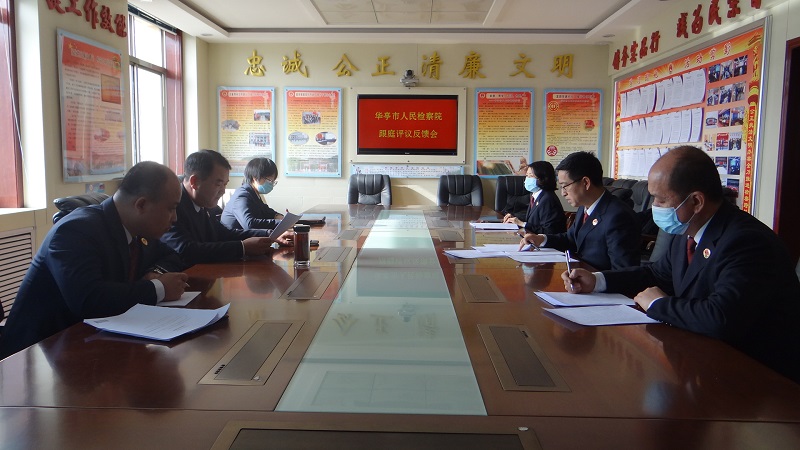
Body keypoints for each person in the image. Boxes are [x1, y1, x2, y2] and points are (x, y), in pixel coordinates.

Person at [562, 146, 800, 383]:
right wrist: (598, 280)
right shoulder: (687, 230)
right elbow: (657, 274)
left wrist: (658, 304)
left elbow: (721, 318)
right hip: (705, 359)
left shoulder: (747, 242)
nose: (654, 207)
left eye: (661, 199)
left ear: (696, 201)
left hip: (760, 376)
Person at [0, 162, 189, 359]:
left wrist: (156, 274)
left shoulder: (137, 230)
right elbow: (89, 300)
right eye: (171, 209)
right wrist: (159, 288)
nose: (175, 218)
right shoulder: (75, 231)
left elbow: (173, 255)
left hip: (96, 342)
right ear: (141, 205)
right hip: (36, 354)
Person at [160, 149, 289, 266]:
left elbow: (224, 233)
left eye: (225, 184)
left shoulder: (204, 203)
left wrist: (270, 235)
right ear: (195, 182)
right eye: (218, 184)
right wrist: (242, 248)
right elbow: (186, 250)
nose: (223, 191)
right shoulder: (172, 206)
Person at [519, 151, 640, 270]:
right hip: (579, 274)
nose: (563, 193)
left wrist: (594, 279)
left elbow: (624, 272)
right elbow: (570, 239)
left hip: (596, 279)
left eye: (565, 186)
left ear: (585, 183)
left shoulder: (619, 216)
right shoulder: (584, 207)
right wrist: (542, 239)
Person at [220, 157, 284, 231]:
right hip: (234, 237)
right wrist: (279, 222)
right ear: (255, 178)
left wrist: (278, 216)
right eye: (270, 180)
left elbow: (266, 211)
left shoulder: (254, 194)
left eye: (273, 181)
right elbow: (249, 224)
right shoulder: (242, 195)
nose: (271, 184)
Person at [503, 161, 566, 234]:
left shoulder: (548, 200)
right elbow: (533, 219)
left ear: (542, 178)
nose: (526, 179)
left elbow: (549, 231)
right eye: (527, 175)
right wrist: (515, 218)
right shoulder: (536, 195)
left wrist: (522, 224)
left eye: (530, 176)